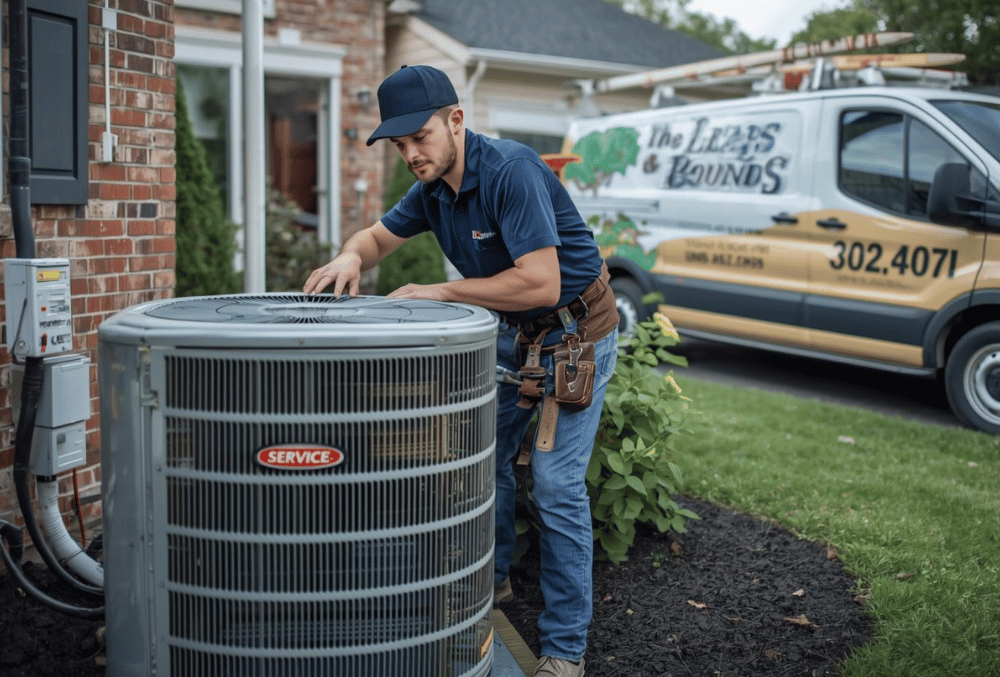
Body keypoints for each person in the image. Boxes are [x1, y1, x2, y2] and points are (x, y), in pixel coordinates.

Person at [303, 65, 619, 677]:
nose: (411, 154)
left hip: (576, 335)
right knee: (481, 460)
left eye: (419, 137)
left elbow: (542, 280)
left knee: (554, 487)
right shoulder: (432, 190)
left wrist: (444, 293)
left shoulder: (511, 172)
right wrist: (349, 254)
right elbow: (374, 238)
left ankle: (563, 651)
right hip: (514, 336)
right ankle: (492, 584)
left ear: (456, 120)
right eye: (398, 145)